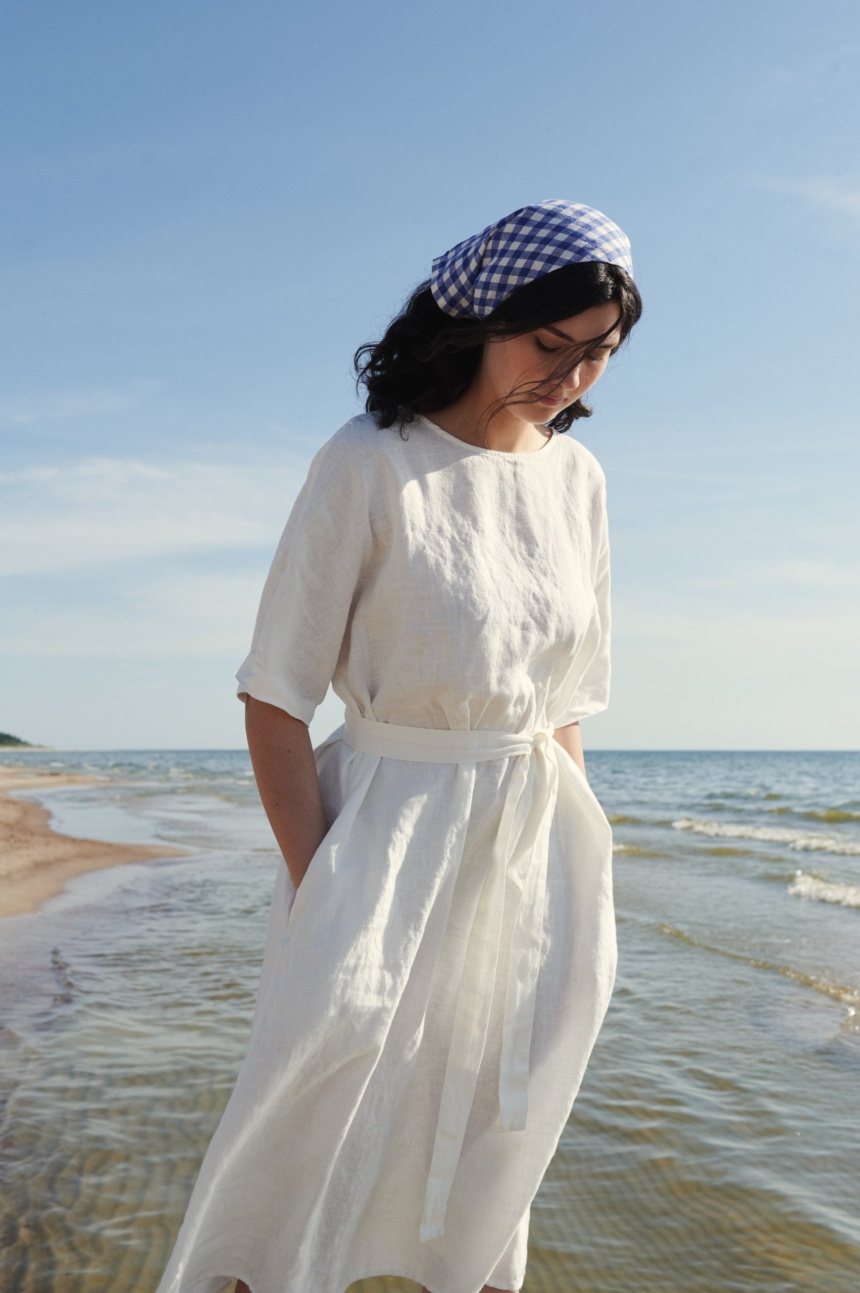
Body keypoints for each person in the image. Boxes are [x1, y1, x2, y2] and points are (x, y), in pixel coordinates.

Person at [156, 199, 642, 1293]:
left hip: (532, 839)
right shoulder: (368, 462)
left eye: (599, 355)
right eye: (548, 346)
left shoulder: (579, 483)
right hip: (377, 826)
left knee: (491, 1113)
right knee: (301, 1116)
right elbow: (274, 695)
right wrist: (319, 879)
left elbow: (564, 697)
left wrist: (582, 862)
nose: (569, 379)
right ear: (480, 318)